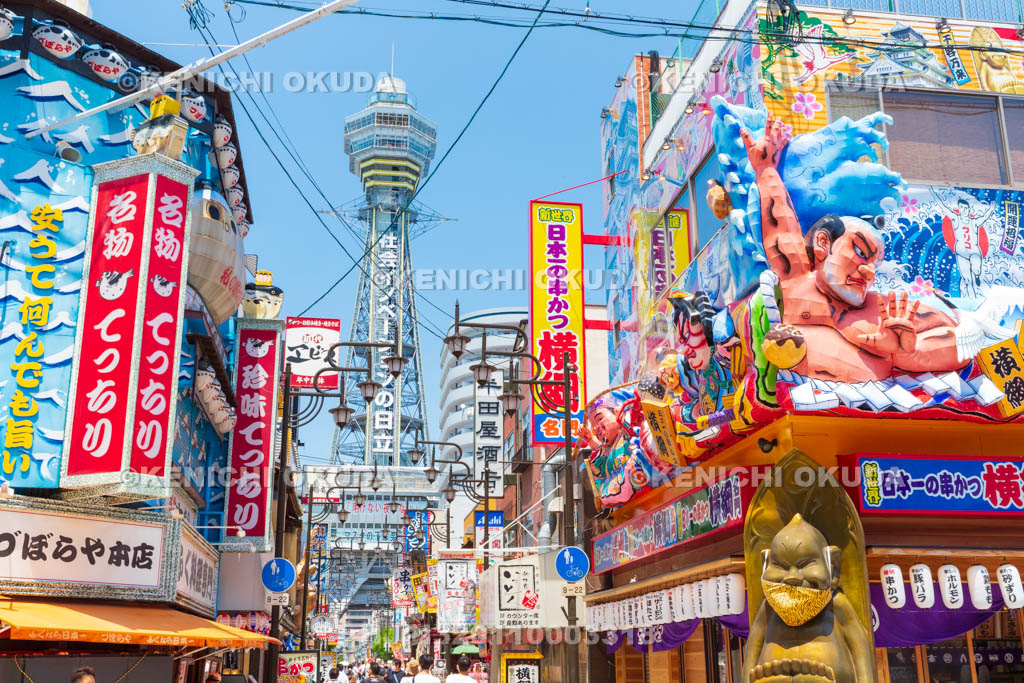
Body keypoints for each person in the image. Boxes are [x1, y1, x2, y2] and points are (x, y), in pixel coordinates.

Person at [739, 113, 965, 382]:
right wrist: (765, 170)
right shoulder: (794, 276)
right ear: (823, 243)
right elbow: (780, 221)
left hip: (857, 396)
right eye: (860, 253)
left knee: (875, 365)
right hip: (773, 366)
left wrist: (909, 352)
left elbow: (958, 338)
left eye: (874, 264)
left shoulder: (880, 310)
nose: (869, 273)